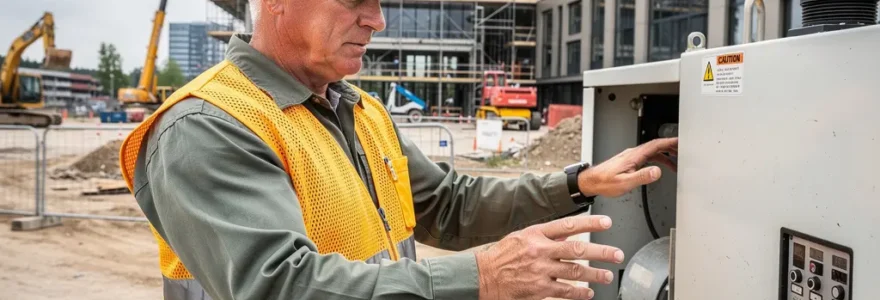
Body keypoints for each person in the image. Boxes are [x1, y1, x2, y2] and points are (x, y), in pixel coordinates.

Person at [117, 0, 678, 299]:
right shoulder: (208, 124)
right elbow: (279, 285)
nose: (377, 19)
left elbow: (446, 205)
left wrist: (578, 184)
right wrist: (482, 276)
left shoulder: (359, 110)